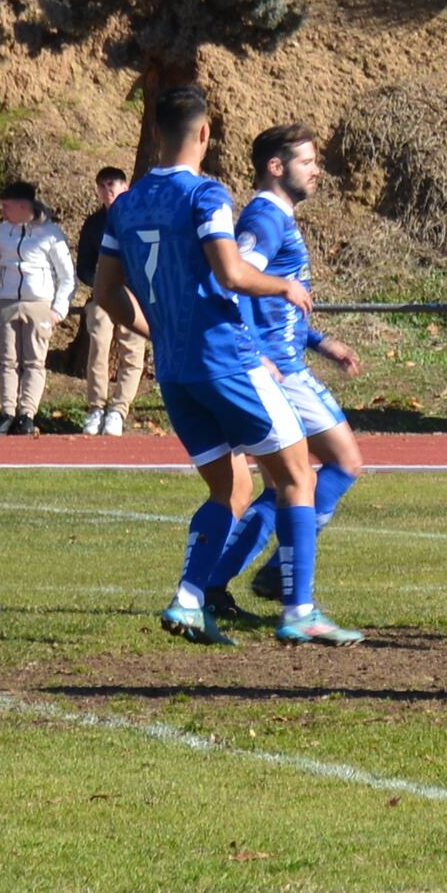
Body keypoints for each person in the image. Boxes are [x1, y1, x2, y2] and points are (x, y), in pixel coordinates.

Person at [89, 86, 356, 647]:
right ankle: (299, 611)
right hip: (228, 360)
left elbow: (106, 291)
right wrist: (283, 285)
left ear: (156, 133)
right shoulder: (206, 194)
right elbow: (231, 275)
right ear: (205, 134)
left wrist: (157, 328)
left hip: (177, 370)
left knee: (231, 489)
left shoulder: (125, 206)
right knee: (297, 478)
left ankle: (189, 600)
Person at [216, 123, 371, 638]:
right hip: (278, 373)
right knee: (339, 464)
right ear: (276, 167)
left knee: (293, 478)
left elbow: (272, 300)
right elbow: (234, 283)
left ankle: (231, 578)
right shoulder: (264, 216)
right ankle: (281, 582)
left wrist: (321, 341)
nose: (316, 169)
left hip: (290, 362)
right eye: (307, 161)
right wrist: (256, 356)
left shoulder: (278, 217)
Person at [0, 182, 77, 431]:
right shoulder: (1, 232)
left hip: (39, 304)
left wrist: (58, 310)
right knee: (7, 361)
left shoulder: (51, 233)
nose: (3, 211)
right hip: (7, 303)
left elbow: (67, 276)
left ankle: (27, 415)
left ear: (23, 205)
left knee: (34, 362)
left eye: (7, 206)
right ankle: (7, 412)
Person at [66, 165, 146, 436]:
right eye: (101, 185)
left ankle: (118, 411)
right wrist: (102, 284)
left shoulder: (140, 219)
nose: (106, 190)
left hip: (135, 297)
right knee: (98, 346)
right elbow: (84, 267)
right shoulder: (93, 224)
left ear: (125, 187)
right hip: (102, 297)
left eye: (111, 184)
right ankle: (96, 408)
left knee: (133, 352)